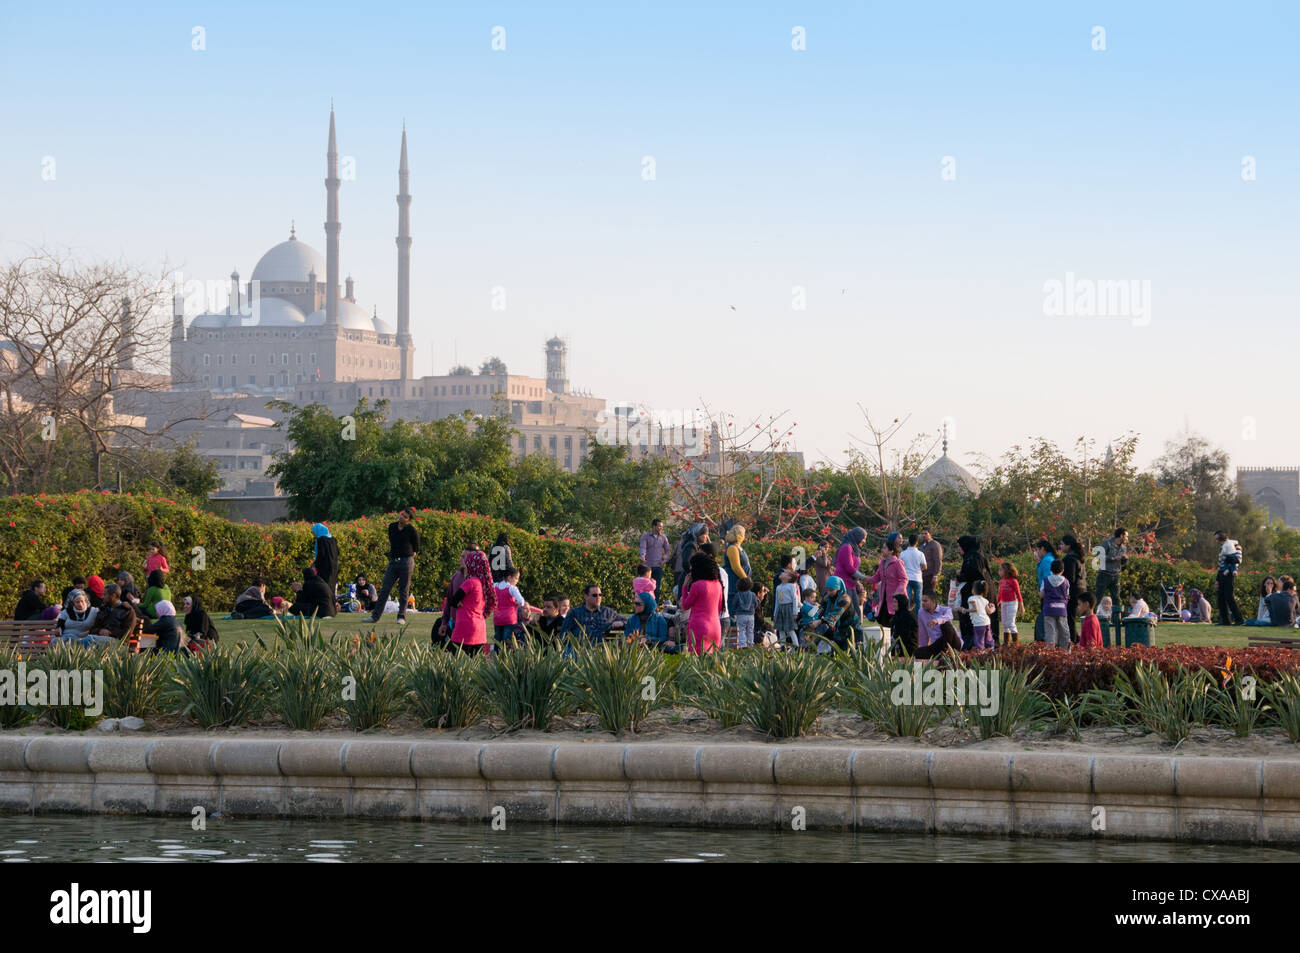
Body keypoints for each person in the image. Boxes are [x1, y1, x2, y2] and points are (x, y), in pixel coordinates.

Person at [371, 506, 420, 625]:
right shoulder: (392, 527)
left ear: (409, 520)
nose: (402, 517)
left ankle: (401, 616)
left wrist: (409, 555)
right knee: (385, 589)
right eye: (402, 514)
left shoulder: (411, 530)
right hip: (393, 562)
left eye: (405, 516)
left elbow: (416, 546)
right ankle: (375, 616)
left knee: (403, 590)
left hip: (406, 562)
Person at [447, 550, 495, 654]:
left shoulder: (470, 582)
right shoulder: (484, 585)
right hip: (480, 630)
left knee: (454, 655)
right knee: (476, 660)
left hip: (465, 627)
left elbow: (453, 600)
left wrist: (457, 603)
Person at [679, 553, 723, 655]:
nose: (690, 569)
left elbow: (685, 605)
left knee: (697, 657)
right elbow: (719, 608)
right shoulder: (718, 584)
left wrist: (684, 586)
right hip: (715, 626)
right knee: (713, 658)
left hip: (699, 626)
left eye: (692, 566)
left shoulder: (696, 585)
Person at [956, 535, 995, 649]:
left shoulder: (973, 558)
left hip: (976, 595)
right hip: (982, 594)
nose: (958, 549)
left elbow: (973, 575)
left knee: (974, 628)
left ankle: (972, 648)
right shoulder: (976, 557)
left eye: (959, 546)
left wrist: (960, 576)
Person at [1092, 528, 1128, 646]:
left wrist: (1124, 560)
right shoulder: (1106, 543)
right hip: (1104, 574)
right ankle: (1092, 618)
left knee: (1116, 598)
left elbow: (1122, 564)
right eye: (1126, 536)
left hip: (1116, 575)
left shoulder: (1123, 548)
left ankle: (1117, 620)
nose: (1127, 538)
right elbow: (1098, 557)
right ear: (1121, 535)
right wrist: (1113, 558)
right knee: (1098, 596)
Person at [561, 583, 627, 644]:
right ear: (586, 597)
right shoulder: (575, 613)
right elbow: (563, 634)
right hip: (580, 649)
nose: (598, 597)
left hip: (601, 649)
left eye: (600, 595)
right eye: (594, 595)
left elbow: (628, 622)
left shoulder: (608, 612)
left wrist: (621, 623)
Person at [868, 540, 908, 633]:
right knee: (883, 621)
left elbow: (904, 579)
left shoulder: (898, 563)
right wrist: (866, 579)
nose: (882, 550)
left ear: (891, 551)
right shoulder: (882, 562)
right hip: (884, 598)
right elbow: (877, 577)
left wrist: (898, 592)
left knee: (894, 624)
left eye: (884, 548)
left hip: (896, 599)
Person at [914, 591, 962, 659]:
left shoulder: (946, 609)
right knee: (918, 652)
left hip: (952, 642)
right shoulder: (921, 612)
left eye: (925, 601)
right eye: (922, 601)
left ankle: (946, 653)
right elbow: (923, 633)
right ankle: (942, 654)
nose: (923, 603)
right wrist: (923, 647)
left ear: (933, 601)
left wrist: (937, 621)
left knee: (946, 625)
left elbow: (949, 617)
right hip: (938, 644)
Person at [492, 568, 533, 647]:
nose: (517, 581)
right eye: (516, 578)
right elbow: (521, 601)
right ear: (509, 577)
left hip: (497, 618)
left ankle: (496, 654)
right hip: (509, 619)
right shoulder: (512, 588)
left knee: (497, 640)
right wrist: (516, 604)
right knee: (507, 641)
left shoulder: (495, 585)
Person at [1060, 534, 1089, 642]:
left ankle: (1073, 640)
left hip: (1073, 590)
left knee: (1069, 617)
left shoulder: (1070, 558)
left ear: (1068, 545)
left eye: (1062, 544)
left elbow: (1069, 578)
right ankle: (1076, 638)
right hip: (1082, 588)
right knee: (1072, 617)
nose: (1060, 546)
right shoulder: (1079, 557)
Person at [1214, 531, 1244, 626]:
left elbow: (1237, 560)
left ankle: (1239, 619)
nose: (1217, 541)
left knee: (1229, 597)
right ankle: (1225, 620)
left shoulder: (1233, 546)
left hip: (1229, 574)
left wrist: (1227, 559)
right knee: (1221, 598)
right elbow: (1220, 565)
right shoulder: (1224, 547)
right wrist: (1217, 579)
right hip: (1222, 573)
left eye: (1217, 538)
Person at [1040, 559, 1071, 649]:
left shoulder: (1045, 580)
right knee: (1064, 632)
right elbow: (1067, 595)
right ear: (1063, 570)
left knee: (1050, 632)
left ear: (1051, 569)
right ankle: (1066, 650)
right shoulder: (1066, 581)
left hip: (1049, 609)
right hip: (1062, 610)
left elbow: (1042, 594)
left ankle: (1050, 651)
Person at [1030, 539, 1056, 642]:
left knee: (1044, 618)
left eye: (1037, 549)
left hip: (1047, 595)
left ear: (1043, 549)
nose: (1036, 552)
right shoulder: (1046, 559)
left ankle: (1043, 640)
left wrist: (1044, 592)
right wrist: (1038, 563)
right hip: (1049, 594)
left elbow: (1047, 578)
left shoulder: (1047, 560)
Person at [722, 525, 751, 618]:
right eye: (743, 534)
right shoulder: (732, 548)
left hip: (741, 584)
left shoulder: (738, 547)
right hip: (734, 583)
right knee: (733, 610)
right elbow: (736, 567)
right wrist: (746, 579)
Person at [960, 579, 995, 651]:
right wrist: (993, 608)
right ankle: (991, 649)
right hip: (987, 622)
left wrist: (964, 610)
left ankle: (980, 652)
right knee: (988, 638)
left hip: (978, 623)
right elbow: (989, 611)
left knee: (979, 639)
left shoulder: (971, 599)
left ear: (974, 590)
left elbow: (975, 609)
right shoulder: (985, 600)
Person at [639, 519, 671, 593]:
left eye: (662, 526)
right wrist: (642, 556)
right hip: (647, 566)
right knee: (645, 588)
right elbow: (643, 548)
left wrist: (664, 560)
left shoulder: (663, 538)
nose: (661, 528)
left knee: (656, 588)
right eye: (659, 526)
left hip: (658, 566)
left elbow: (668, 551)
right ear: (654, 526)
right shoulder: (646, 536)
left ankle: (655, 601)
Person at [772, 570, 801, 648]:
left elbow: (795, 599)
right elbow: (777, 601)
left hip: (789, 608)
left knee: (790, 629)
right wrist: (775, 614)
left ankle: (796, 646)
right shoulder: (778, 587)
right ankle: (783, 646)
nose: (782, 573)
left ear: (789, 578)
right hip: (780, 609)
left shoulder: (791, 586)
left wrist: (795, 612)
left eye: (785, 573)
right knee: (780, 629)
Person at [997, 562, 1023, 645]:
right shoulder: (1001, 581)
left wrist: (1021, 605)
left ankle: (1015, 643)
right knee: (1005, 623)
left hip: (1012, 603)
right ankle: (1006, 643)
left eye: (1001, 570)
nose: (999, 571)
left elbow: (1018, 593)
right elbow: (1000, 594)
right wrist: (997, 603)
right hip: (1003, 603)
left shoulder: (1013, 581)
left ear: (1007, 571)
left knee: (1010, 623)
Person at [900, 534, 927, 611]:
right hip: (917, 578)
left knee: (907, 599)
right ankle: (918, 616)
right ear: (917, 542)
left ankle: (907, 615)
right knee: (918, 600)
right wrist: (918, 569)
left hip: (906, 578)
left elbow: (900, 566)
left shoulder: (903, 553)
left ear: (909, 542)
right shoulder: (920, 554)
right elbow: (925, 566)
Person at [311, 523, 339, 595]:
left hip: (324, 567)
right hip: (334, 567)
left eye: (314, 532)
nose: (314, 534)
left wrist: (316, 565)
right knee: (332, 587)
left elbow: (321, 555)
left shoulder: (321, 540)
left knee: (324, 587)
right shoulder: (333, 539)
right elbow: (338, 552)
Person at [731, 577, 758, 649]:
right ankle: (750, 643)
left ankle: (743, 644)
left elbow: (734, 604)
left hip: (741, 615)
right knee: (750, 630)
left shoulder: (738, 595)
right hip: (751, 615)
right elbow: (756, 604)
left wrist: (735, 610)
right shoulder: (753, 595)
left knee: (741, 630)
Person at [919, 531, 943, 598]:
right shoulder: (922, 546)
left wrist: (936, 575)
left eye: (926, 533)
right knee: (923, 597)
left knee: (929, 597)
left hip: (931, 575)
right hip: (922, 575)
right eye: (922, 533)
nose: (924, 535)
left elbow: (938, 560)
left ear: (930, 534)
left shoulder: (935, 545)